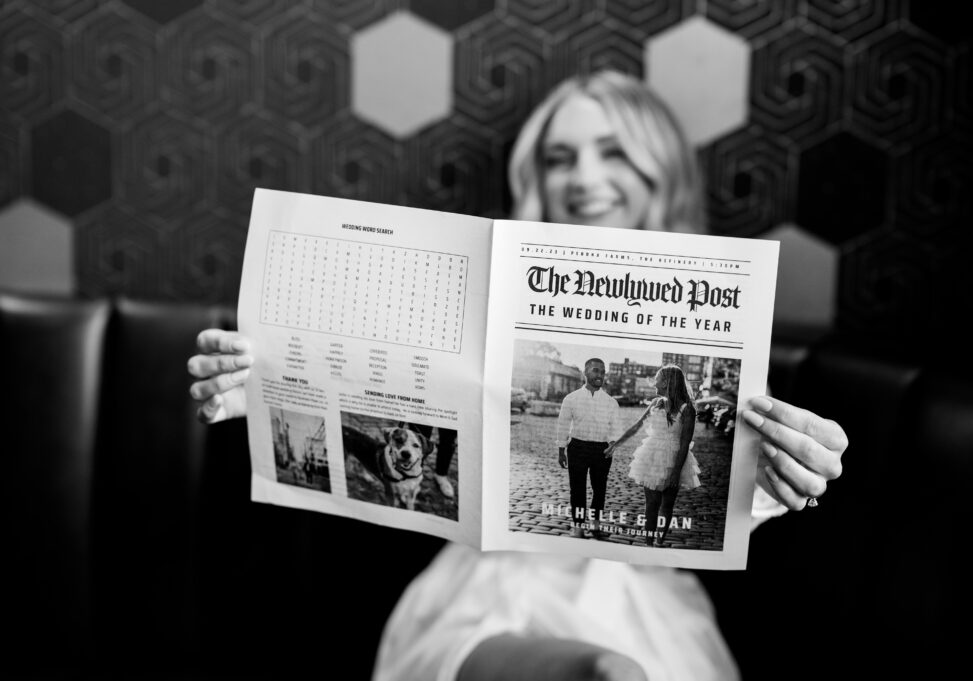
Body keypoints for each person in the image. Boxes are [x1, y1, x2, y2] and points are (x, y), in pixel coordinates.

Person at [188, 70, 848, 681]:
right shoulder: (476, 297)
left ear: (660, 170)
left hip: (641, 595)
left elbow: (702, 475)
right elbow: (371, 383)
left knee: (620, 669)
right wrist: (265, 377)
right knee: (602, 671)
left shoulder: (719, 329)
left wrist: (782, 472)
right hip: (487, 592)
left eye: (612, 151)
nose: (582, 177)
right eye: (559, 159)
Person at [605, 365, 700, 547]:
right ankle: (649, 543)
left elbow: (685, 443)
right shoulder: (656, 403)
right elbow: (636, 426)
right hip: (651, 455)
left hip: (676, 457)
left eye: (656, 379)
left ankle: (660, 540)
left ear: (666, 382)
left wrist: (675, 471)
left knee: (667, 505)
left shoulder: (688, 409)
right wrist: (616, 444)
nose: (653, 383)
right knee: (652, 504)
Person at [556, 358, 620, 539]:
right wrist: (561, 449)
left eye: (602, 372)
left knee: (599, 489)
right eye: (595, 370)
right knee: (577, 489)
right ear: (586, 373)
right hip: (577, 447)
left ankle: (595, 525)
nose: (600, 375)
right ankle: (578, 527)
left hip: (602, 450)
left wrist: (612, 446)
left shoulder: (611, 402)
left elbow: (616, 429)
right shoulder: (571, 398)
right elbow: (563, 424)